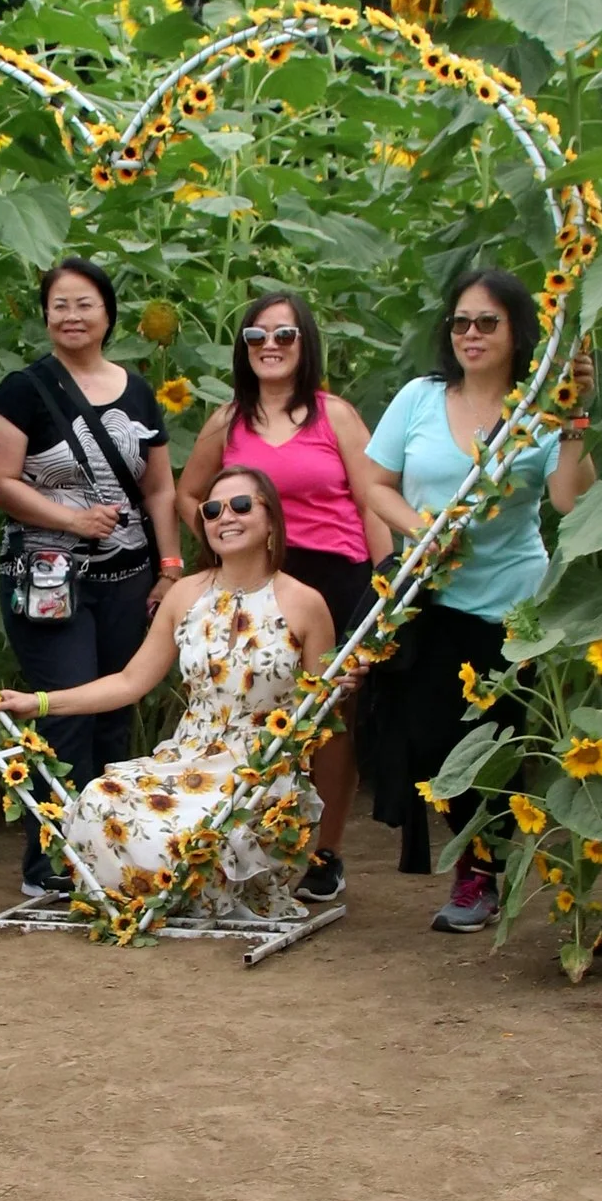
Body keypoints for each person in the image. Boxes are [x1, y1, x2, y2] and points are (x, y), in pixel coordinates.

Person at [359, 265, 596, 932]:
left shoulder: (538, 414)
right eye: (460, 321)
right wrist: (420, 531)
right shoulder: (419, 397)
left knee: (494, 743)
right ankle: (483, 862)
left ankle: (481, 874)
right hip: (430, 598)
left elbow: (569, 500)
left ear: (519, 330)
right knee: (432, 742)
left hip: (512, 607)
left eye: (487, 322)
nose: (470, 333)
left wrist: (576, 416)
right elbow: (376, 483)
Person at [0, 465, 334, 919]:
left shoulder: (305, 602)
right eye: (212, 509)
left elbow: (324, 709)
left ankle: (186, 891)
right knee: (100, 798)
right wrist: (38, 703)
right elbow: (130, 682)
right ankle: (153, 896)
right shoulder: (185, 595)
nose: (223, 517)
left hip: (260, 768)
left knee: (200, 827)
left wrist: (342, 686)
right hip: (188, 756)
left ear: (272, 519)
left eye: (241, 505)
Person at [176, 293, 423, 905]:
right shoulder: (226, 419)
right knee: (257, 710)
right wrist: (221, 549)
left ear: (305, 342)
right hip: (259, 578)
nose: (270, 346)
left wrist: (382, 584)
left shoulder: (333, 415)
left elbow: (373, 497)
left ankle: (326, 850)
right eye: (257, 335)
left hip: (336, 576)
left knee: (329, 717)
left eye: (284, 334)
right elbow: (188, 494)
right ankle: (258, 839)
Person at [0, 256, 181, 898]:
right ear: (45, 315)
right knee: (65, 708)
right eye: (60, 305)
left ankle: (109, 845)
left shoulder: (137, 390)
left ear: (107, 314)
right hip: (47, 579)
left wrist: (170, 566)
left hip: (128, 576)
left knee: (114, 714)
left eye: (84, 304)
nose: (71, 316)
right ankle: (51, 858)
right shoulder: (22, 389)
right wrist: (70, 519)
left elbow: (159, 487)